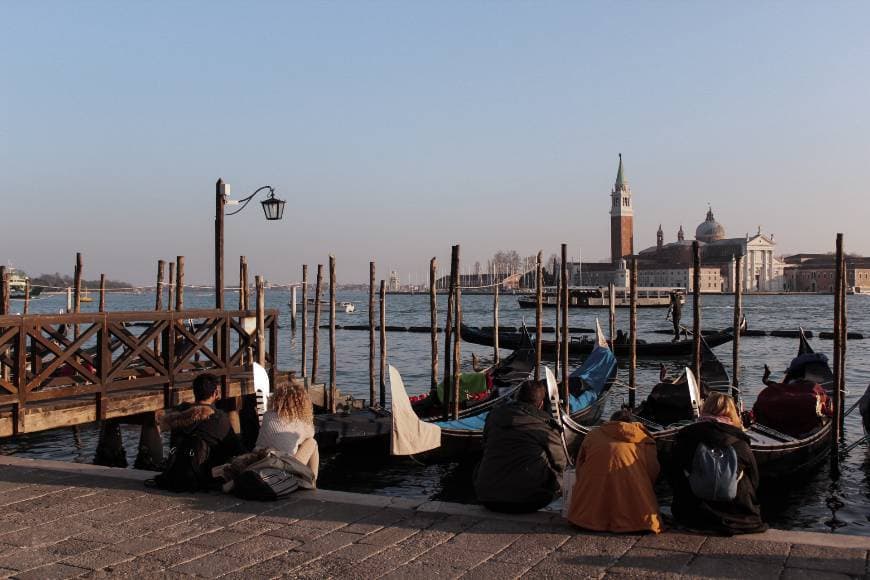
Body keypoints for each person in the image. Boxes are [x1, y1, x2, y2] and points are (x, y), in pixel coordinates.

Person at [669, 392, 767, 535]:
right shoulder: (740, 443)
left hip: (692, 516)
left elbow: (673, 476)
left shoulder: (686, 438)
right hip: (739, 519)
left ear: (704, 409)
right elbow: (755, 480)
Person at [474, 380, 567, 513]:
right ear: (541, 404)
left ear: (517, 398)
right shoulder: (545, 426)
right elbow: (560, 462)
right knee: (561, 476)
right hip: (528, 501)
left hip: (486, 498)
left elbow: (485, 443)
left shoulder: (493, 416)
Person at [567, 409, 662, 533]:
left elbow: (580, 467)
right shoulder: (644, 439)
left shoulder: (592, 435)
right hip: (637, 520)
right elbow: (652, 472)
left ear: (610, 422)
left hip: (585, 518)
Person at [155, 373, 244, 490]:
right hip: (205, 477)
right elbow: (235, 448)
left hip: (177, 473)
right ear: (215, 393)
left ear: (194, 392)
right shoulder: (217, 418)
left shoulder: (179, 413)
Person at [255, 378, 319, 481]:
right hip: (286, 469)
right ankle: (312, 482)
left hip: (262, 463)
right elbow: (311, 434)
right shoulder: (300, 423)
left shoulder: (267, 415)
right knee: (312, 442)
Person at [753, 358, 832, 437]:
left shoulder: (779, 388)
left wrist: (766, 380)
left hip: (774, 423)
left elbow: (778, 387)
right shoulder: (813, 387)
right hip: (803, 424)